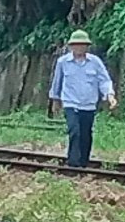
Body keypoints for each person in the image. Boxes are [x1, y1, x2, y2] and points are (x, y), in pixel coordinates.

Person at [49, 29, 116, 169]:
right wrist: (55, 100)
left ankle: (83, 162)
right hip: (70, 103)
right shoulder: (63, 62)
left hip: (88, 105)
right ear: (71, 46)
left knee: (86, 134)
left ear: (87, 46)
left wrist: (110, 95)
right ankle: (73, 163)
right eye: (76, 44)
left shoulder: (95, 62)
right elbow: (57, 82)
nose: (79, 47)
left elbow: (104, 80)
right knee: (74, 131)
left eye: (83, 45)